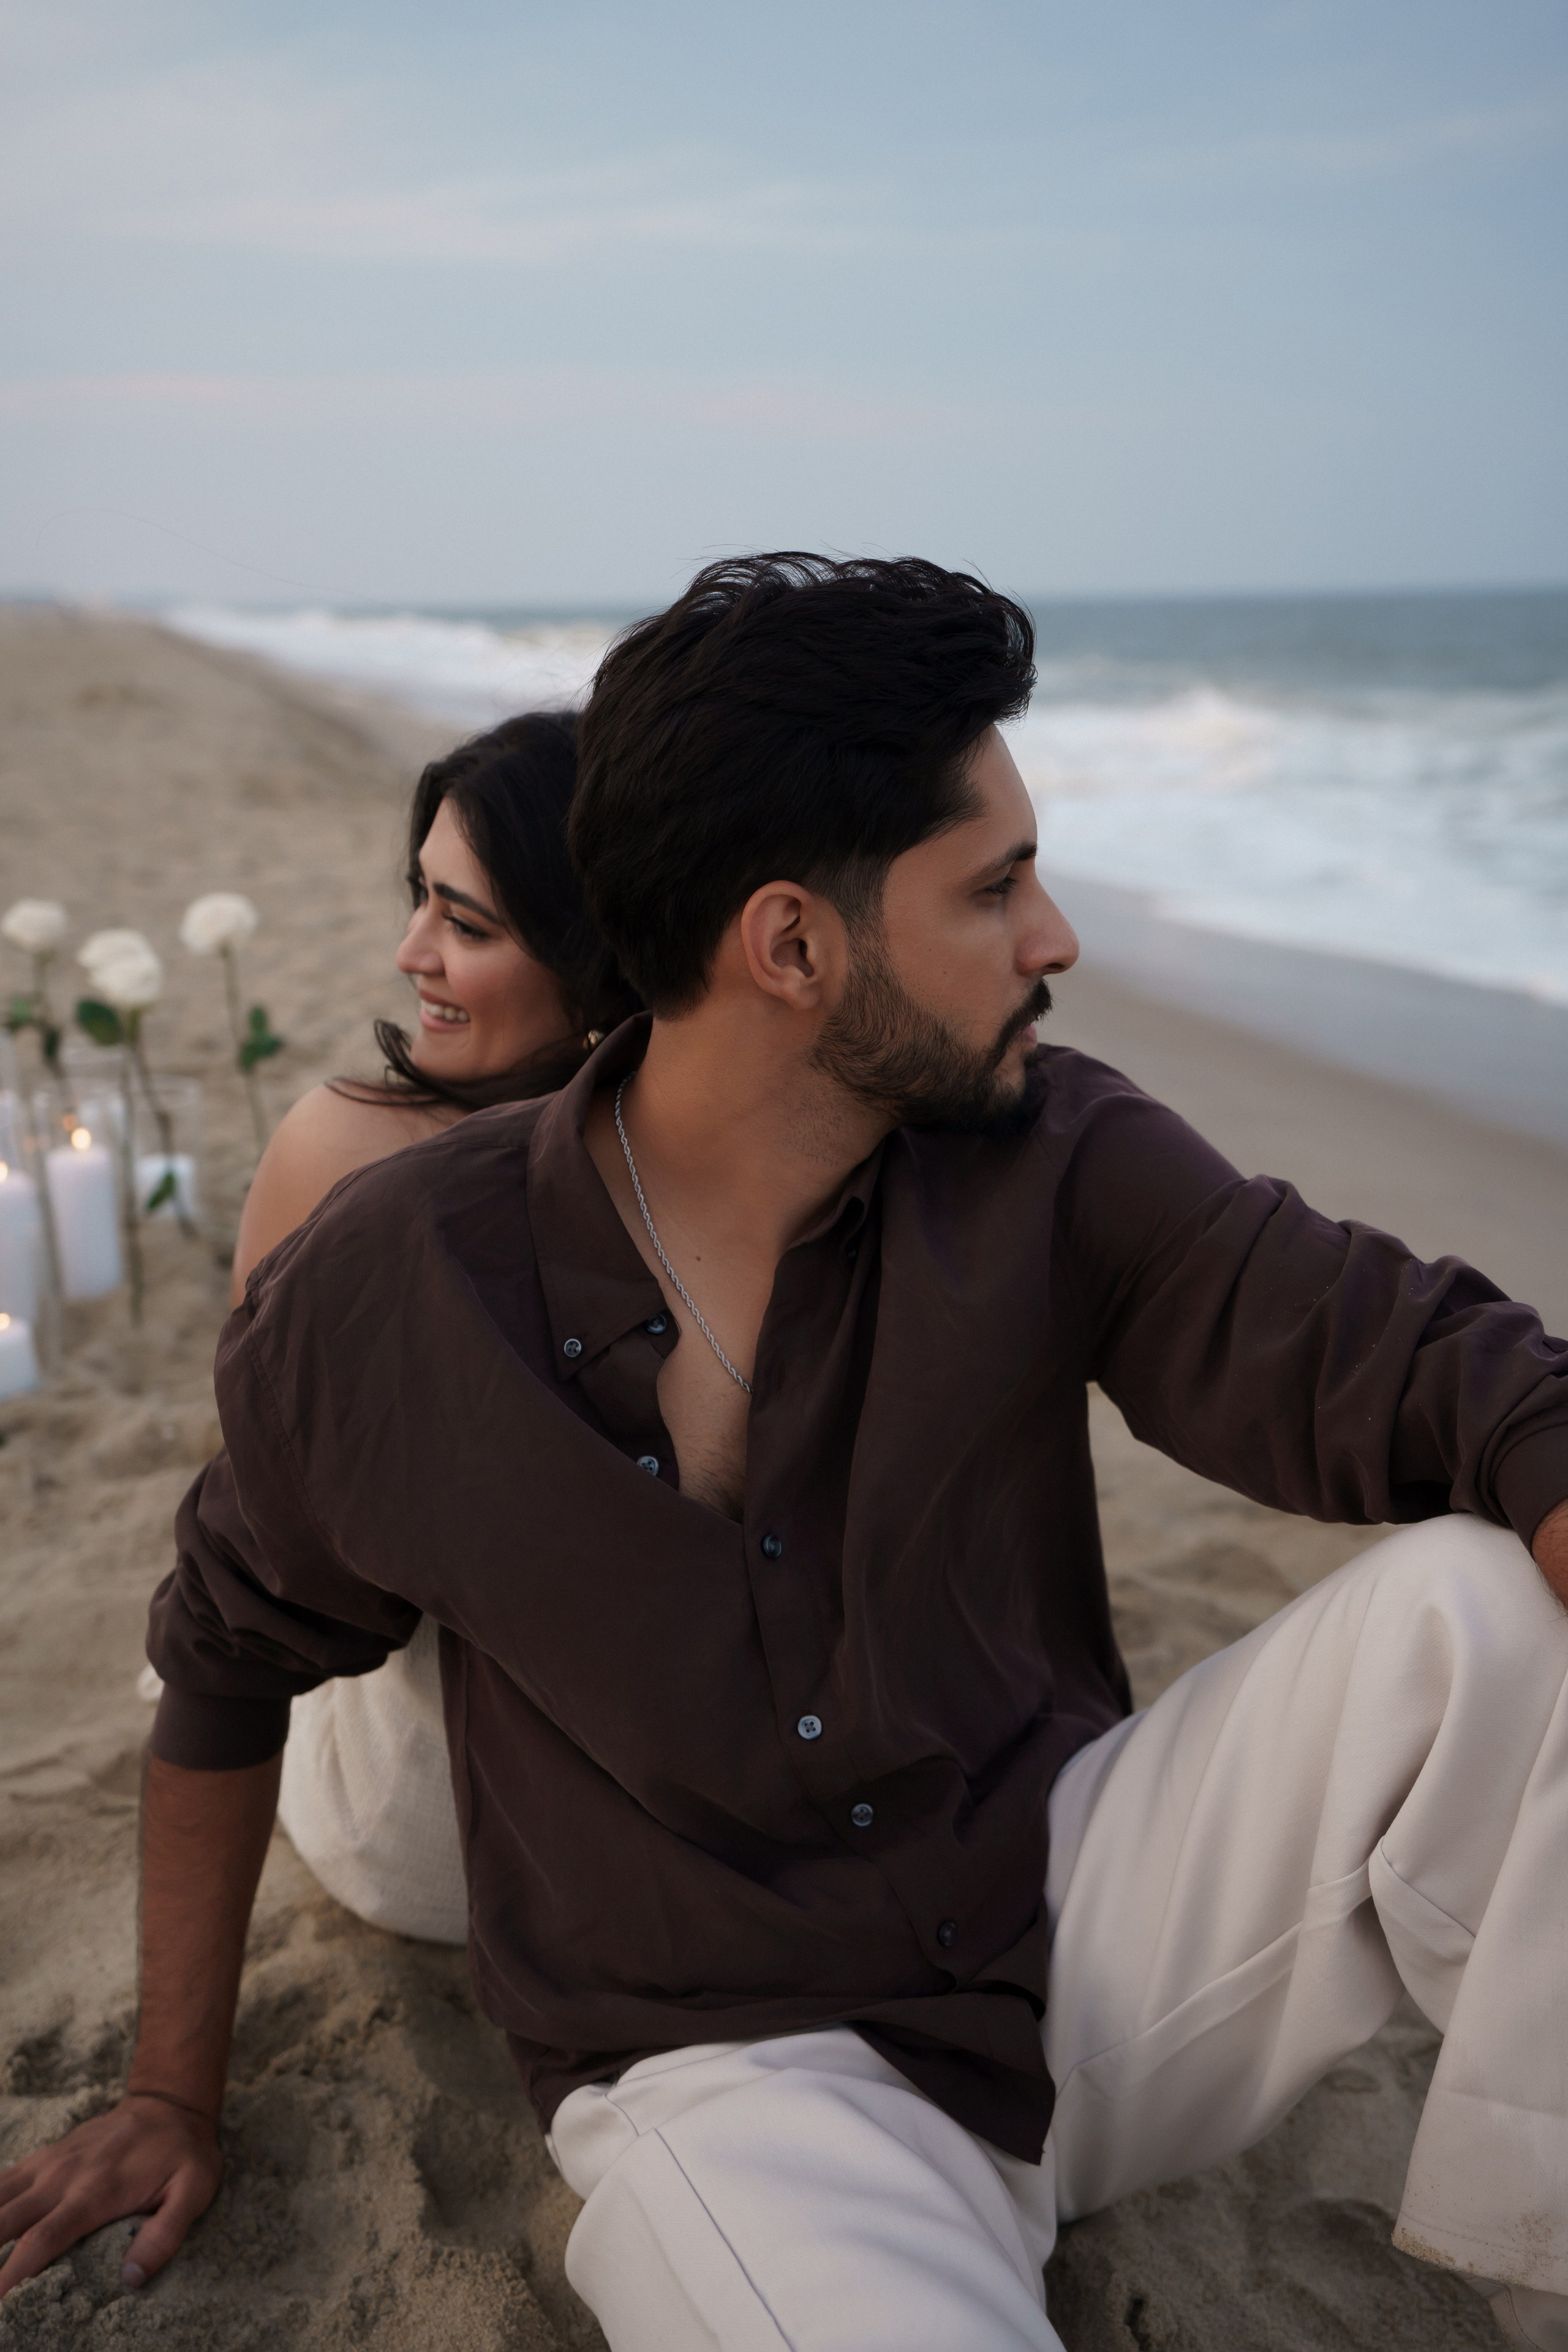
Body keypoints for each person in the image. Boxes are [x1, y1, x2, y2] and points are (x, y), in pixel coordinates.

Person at [1, 554, 1564, 2352]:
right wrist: (170, 2096)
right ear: (795, 947)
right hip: (740, 2078)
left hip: (1077, 1910)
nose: (1054, 938)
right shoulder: (404, 1286)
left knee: (1488, 1610)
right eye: (995, 890)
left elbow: (1417, 1355)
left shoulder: (1050, 1150)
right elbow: (220, 1657)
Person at [242, 709, 639, 1943]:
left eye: (464, 925)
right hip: (528, 1809)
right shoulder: (727, 1157)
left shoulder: (350, 1146)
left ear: (596, 957)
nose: (410, 950)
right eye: (421, 899)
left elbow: (256, 1497)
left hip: (516, 1813)